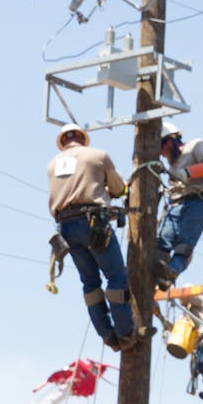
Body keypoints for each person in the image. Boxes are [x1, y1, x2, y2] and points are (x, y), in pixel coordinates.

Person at [47, 123, 135, 351]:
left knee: (90, 283)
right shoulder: (96, 155)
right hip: (93, 224)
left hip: (66, 229)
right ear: (83, 139)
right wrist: (123, 191)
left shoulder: (52, 165)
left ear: (63, 142)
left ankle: (108, 336)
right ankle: (125, 332)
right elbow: (117, 189)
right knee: (116, 277)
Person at [155, 121, 203, 290]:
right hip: (176, 205)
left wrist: (188, 173)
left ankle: (171, 271)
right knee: (160, 244)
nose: (163, 155)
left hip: (199, 203)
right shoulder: (172, 165)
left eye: (162, 149)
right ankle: (157, 277)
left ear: (170, 140)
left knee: (184, 245)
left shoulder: (196, 145)